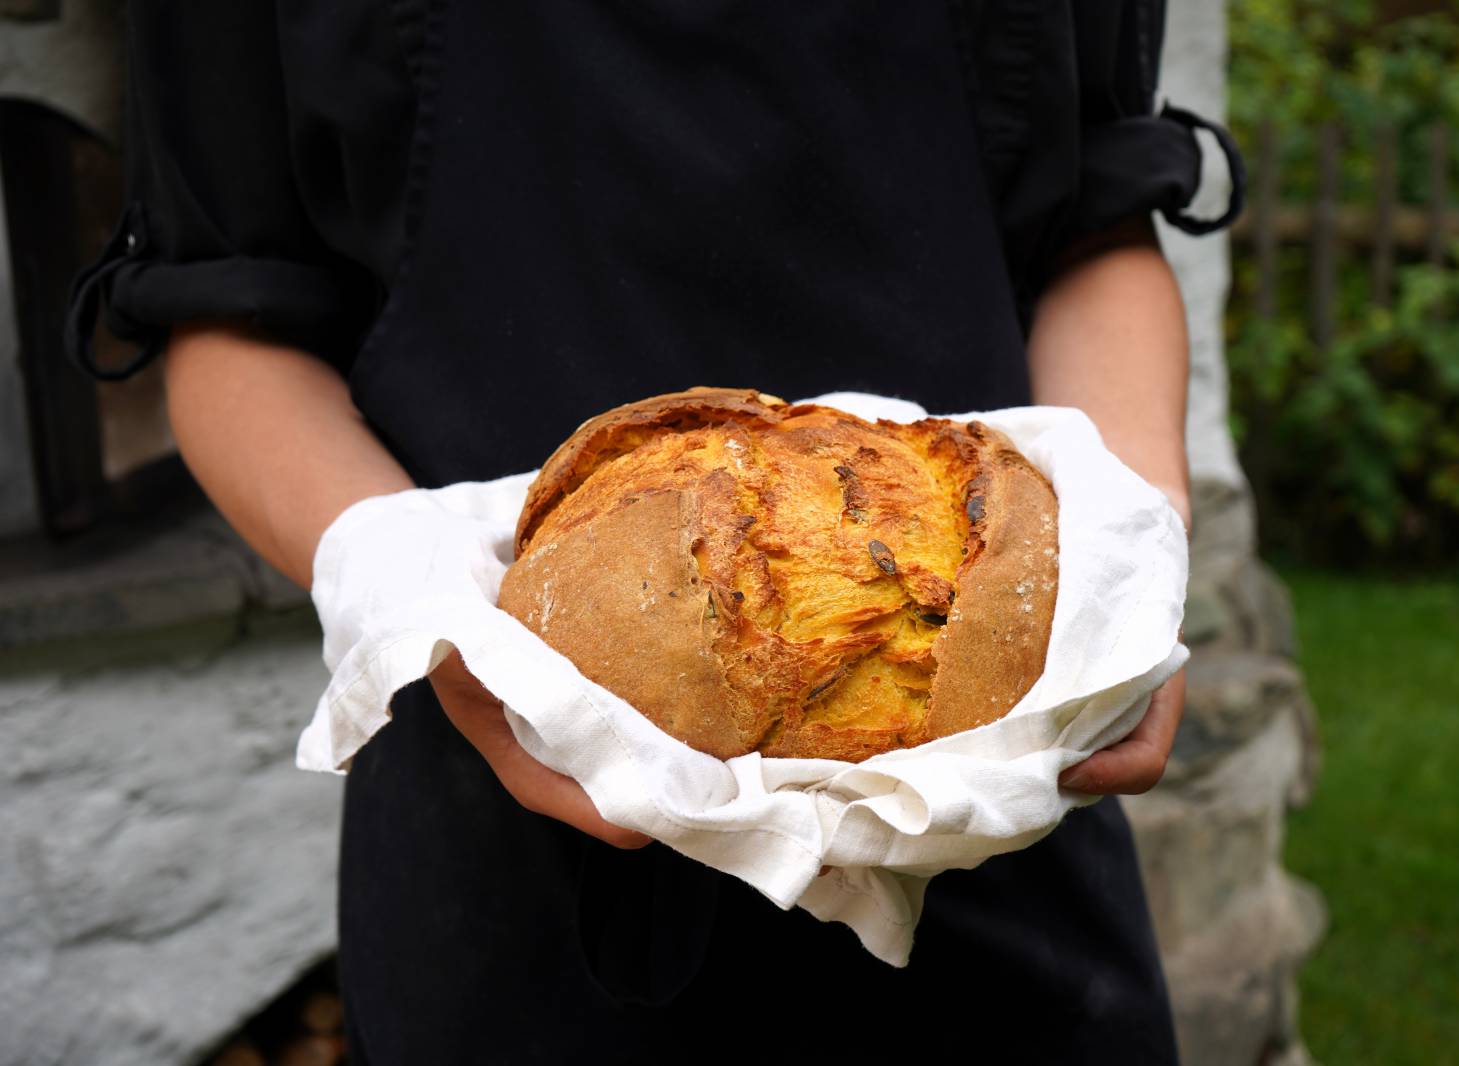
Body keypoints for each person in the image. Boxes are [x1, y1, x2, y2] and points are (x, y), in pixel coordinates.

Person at [68, 2, 1240, 1061]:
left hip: (1000, 791)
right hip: (507, 846)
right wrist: (403, 582)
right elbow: (231, 319)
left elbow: (1096, 228)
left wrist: (1132, 551)